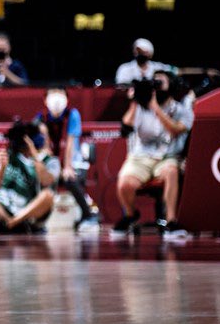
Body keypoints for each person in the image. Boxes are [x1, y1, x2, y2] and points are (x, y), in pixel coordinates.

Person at [112, 70, 193, 238]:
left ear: (171, 86)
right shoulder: (141, 107)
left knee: (171, 171)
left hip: (167, 157)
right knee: (124, 184)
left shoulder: (182, 110)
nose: (156, 85)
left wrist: (156, 108)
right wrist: (135, 101)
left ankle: (171, 221)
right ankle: (130, 215)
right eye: (153, 82)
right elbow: (125, 128)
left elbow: (174, 130)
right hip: (141, 157)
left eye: (160, 82)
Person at [33, 87, 98, 230]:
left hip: (73, 162)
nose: (56, 97)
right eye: (53, 93)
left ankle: (87, 215)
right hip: (52, 164)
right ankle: (38, 219)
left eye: (60, 93)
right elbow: (43, 148)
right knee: (38, 179)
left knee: (69, 180)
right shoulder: (40, 118)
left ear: (67, 99)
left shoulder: (73, 115)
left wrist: (67, 167)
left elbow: (69, 143)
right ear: (45, 99)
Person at [0, 123, 56, 234]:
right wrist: (2, 168)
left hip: (26, 208)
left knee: (48, 196)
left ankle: (15, 222)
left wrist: (35, 154)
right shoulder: (9, 154)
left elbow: (46, 181)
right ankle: (11, 222)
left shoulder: (50, 160)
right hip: (4, 205)